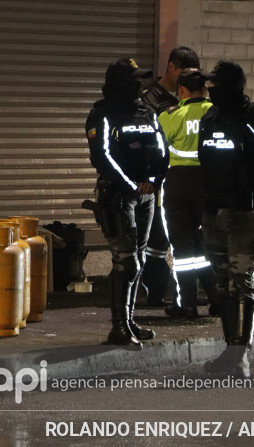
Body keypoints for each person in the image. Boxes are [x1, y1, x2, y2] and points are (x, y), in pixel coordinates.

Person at [197, 60, 254, 377]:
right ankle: (230, 352)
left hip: (243, 212)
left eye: (215, 83)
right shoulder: (210, 116)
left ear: (231, 85)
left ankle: (239, 358)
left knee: (241, 282)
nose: (209, 88)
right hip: (214, 213)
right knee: (224, 286)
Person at [85, 58, 169, 346]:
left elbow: (162, 147)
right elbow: (102, 156)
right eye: (133, 79)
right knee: (126, 262)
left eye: (140, 79)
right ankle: (118, 328)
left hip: (146, 195)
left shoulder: (146, 111)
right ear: (119, 83)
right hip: (118, 195)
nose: (139, 83)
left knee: (140, 258)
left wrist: (155, 180)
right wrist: (131, 185)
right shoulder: (102, 113)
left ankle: (130, 321)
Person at [140, 47, 201, 307]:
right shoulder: (150, 99)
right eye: (185, 73)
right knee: (156, 241)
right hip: (160, 180)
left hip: (182, 181)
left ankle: (186, 294)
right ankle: (154, 291)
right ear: (171, 67)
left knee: (185, 240)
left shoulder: (192, 102)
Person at [157, 68, 219, 319]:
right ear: (205, 89)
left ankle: (187, 303)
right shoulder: (216, 113)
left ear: (181, 90)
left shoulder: (171, 115)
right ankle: (219, 300)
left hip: (178, 182)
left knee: (182, 247)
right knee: (211, 245)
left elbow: (159, 148)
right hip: (210, 184)